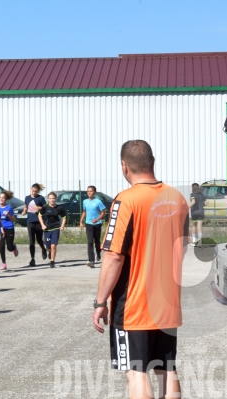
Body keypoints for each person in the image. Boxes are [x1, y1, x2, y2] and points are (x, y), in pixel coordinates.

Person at [92, 140, 189, 399]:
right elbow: (183, 246)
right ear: (153, 161)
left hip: (134, 306)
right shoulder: (177, 198)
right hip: (167, 304)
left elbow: (114, 257)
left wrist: (100, 301)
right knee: (167, 369)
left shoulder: (125, 201)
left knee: (136, 373)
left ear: (124, 166)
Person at [38, 192, 67, 268]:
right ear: (48, 199)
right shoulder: (45, 207)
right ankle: (49, 252)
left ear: (55, 199)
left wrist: (62, 226)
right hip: (47, 229)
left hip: (56, 228)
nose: (52, 200)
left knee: (53, 246)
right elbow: (39, 216)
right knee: (48, 247)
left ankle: (52, 262)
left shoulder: (59, 208)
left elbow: (64, 217)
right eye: (50, 198)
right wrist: (42, 225)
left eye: (53, 198)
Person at [79, 186, 106, 268]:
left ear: (94, 192)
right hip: (88, 224)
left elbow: (103, 213)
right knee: (90, 241)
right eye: (88, 191)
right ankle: (91, 260)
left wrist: (97, 220)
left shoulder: (98, 202)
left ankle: (98, 252)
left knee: (97, 241)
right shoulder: (85, 201)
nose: (89, 193)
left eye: (91, 191)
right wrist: (81, 222)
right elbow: (84, 211)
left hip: (97, 224)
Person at [21, 183, 48, 266]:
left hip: (39, 221)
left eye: (36, 191)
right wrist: (24, 210)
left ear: (38, 191)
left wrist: (39, 208)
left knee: (39, 240)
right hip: (30, 221)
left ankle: (43, 249)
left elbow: (45, 208)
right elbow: (26, 206)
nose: (34, 193)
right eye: (33, 191)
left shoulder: (41, 198)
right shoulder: (27, 198)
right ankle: (32, 259)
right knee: (31, 241)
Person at [0, 190, 19, 271]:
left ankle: (13, 247)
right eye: (0, 197)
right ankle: (4, 263)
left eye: (3, 198)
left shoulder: (9, 208)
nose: (1, 199)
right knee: (1, 246)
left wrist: (9, 215)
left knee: (9, 248)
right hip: (1, 229)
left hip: (9, 228)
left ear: (6, 199)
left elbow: (14, 219)